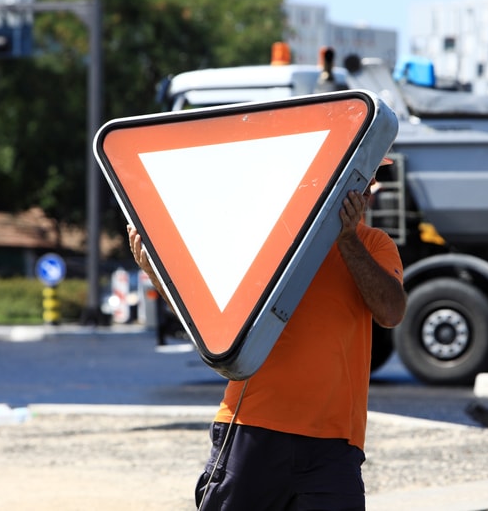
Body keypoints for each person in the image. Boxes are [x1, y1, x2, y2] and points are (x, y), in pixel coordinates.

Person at [127, 157, 406, 511]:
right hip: (252, 426)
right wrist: (156, 272)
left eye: (372, 178)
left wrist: (347, 239)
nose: (370, 187)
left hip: (334, 442)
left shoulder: (375, 243)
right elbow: (208, 317)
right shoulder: (270, 237)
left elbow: (391, 312)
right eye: (361, 176)